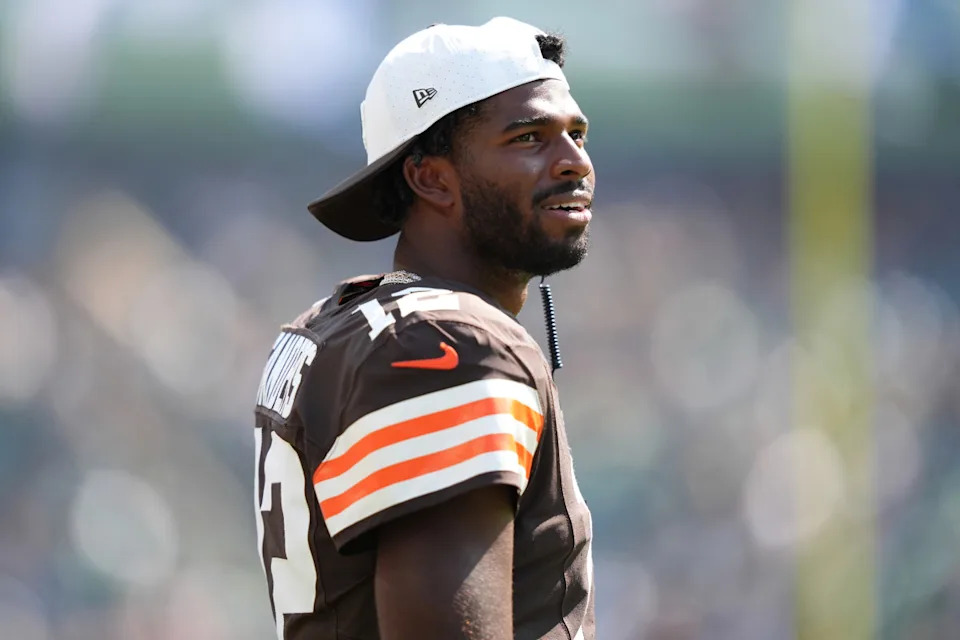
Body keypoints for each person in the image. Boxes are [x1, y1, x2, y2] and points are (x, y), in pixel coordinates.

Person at [253, 17, 595, 640]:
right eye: (529, 138)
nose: (575, 162)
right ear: (431, 177)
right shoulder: (449, 345)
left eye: (576, 133)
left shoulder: (339, 325)